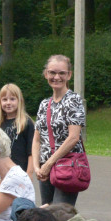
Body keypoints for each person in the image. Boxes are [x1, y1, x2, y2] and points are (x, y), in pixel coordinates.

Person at [32, 56, 87, 206]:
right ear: (46, 74)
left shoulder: (74, 100)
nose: (57, 77)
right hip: (44, 169)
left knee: (60, 216)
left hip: (67, 167)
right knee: (46, 215)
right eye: (52, 73)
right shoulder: (44, 104)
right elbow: (37, 139)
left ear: (69, 75)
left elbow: (73, 138)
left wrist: (49, 163)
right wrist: (37, 167)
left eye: (62, 73)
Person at [0, 83, 34, 177]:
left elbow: (32, 153)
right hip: (3, 174)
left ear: (19, 101)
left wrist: (28, 174)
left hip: (21, 173)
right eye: (4, 99)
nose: (8, 103)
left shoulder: (26, 122)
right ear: (0, 102)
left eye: (12, 99)